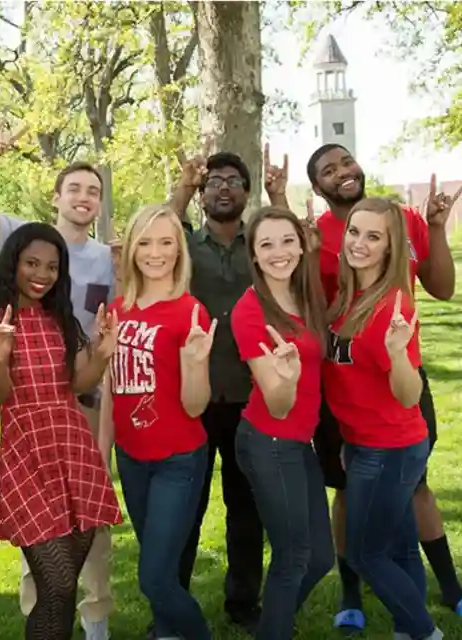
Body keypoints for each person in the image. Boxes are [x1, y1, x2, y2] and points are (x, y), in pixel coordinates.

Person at [302, 143, 462, 633]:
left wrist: (433, 229)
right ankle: (362, 600)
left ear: (391, 242)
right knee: (348, 494)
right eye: (329, 169)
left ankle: (445, 595)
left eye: (346, 161)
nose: (343, 172)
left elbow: (441, 289)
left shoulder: (403, 221)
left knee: (414, 490)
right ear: (318, 188)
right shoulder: (321, 244)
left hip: (393, 386)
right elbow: (311, 309)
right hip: (344, 393)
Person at [0, 121, 116, 639]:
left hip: (73, 446)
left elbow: (76, 380)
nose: (41, 274)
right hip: (26, 453)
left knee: (60, 590)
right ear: (12, 263)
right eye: (31, 264)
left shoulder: (60, 317)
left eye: (51, 266)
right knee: (59, 581)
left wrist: (104, 353)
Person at [325, 197, 442, 640]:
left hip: (389, 448)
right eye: (355, 232)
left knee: (365, 553)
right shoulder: (349, 294)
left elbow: (409, 394)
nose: (359, 243)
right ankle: (407, 630)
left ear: (392, 248)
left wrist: (397, 354)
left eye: (374, 237)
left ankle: (423, 630)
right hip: (362, 443)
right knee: (400, 548)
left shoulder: (394, 306)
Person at [99, 204, 216, 640]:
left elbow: (195, 405)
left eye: (166, 242)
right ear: (130, 249)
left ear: (179, 249)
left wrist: (194, 363)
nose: (155, 253)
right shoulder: (117, 309)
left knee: (154, 579)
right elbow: (111, 388)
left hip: (178, 459)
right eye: (145, 242)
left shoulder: (190, 312)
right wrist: (102, 453)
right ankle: (167, 633)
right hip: (133, 458)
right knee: (158, 564)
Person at [167, 149, 271, 634]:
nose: (223, 187)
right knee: (185, 509)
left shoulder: (264, 244)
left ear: (247, 193)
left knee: (247, 509)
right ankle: (173, 601)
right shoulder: (185, 245)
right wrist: (183, 188)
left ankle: (244, 601)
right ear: (204, 194)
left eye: (233, 180)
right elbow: (155, 236)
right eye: (214, 182)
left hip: (252, 396)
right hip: (194, 396)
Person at [231, 206, 334, 640]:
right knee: (293, 556)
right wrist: (287, 379)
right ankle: (274, 629)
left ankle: (273, 621)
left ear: (301, 244)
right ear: (253, 255)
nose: (279, 252)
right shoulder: (250, 311)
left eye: (287, 241)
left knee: (319, 558)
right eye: (266, 244)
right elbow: (276, 404)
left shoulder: (306, 294)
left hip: (298, 442)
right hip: (269, 439)